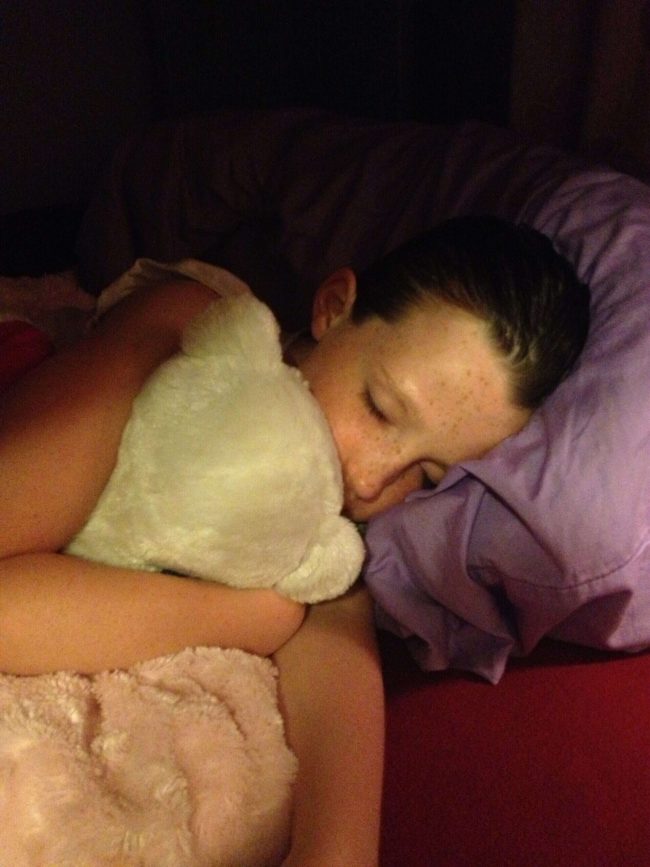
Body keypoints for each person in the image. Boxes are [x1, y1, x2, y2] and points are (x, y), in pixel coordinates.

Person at [0, 216, 589, 866]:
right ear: (334, 307)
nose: (368, 479)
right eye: (380, 406)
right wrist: (253, 615)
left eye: (426, 474)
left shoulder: (342, 531)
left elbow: (341, 798)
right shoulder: (193, 330)